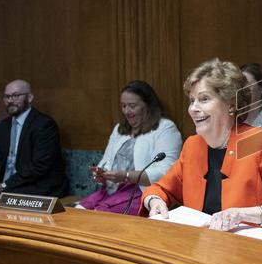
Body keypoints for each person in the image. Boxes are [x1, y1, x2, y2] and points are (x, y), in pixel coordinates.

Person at [142, 58, 262, 232]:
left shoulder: (259, 143)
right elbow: (159, 189)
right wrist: (155, 201)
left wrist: (242, 215)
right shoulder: (193, 145)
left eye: (204, 99)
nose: (193, 108)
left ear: (231, 105)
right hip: (202, 249)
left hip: (252, 251)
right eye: (192, 100)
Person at [78, 80, 183, 214]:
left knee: (100, 214)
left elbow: (166, 172)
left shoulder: (165, 128)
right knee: (78, 210)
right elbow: (107, 161)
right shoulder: (119, 129)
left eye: (132, 106)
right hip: (111, 189)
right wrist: (101, 174)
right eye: (123, 106)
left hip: (142, 191)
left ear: (148, 105)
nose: (127, 111)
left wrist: (126, 176)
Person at [0, 79, 69, 199]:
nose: (10, 101)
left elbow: (39, 167)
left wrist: (2, 186)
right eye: (6, 97)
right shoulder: (4, 125)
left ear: (29, 98)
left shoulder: (44, 124)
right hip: (7, 186)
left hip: (36, 186)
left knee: (0, 202)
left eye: (16, 96)